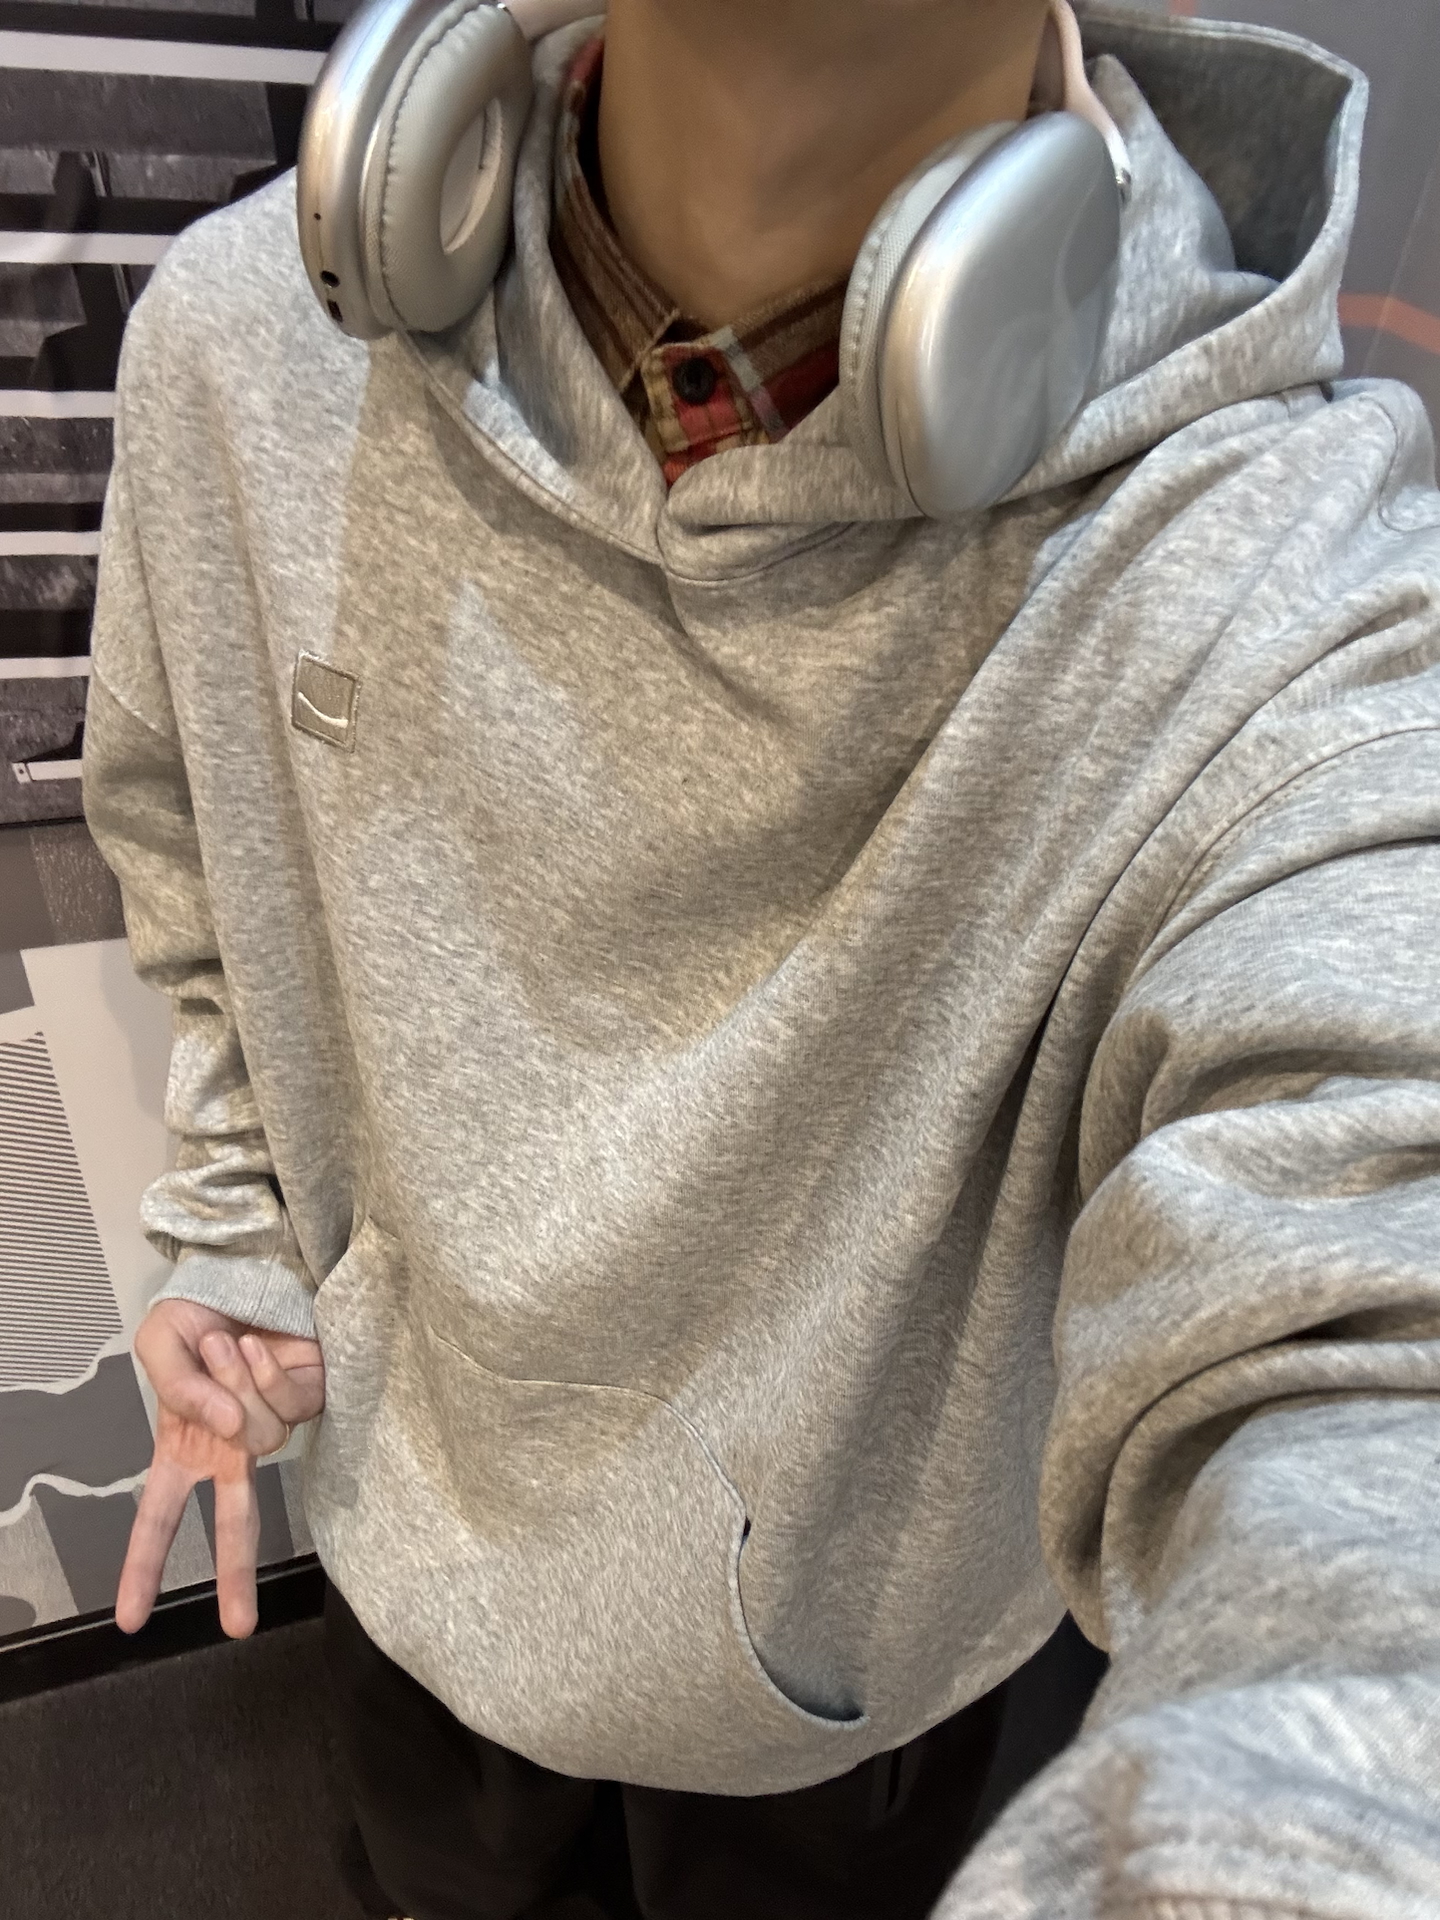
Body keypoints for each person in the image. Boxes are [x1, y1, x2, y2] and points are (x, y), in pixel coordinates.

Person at [81, 0, 1440, 1914]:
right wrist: (235, 1219)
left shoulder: (1269, 582)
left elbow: (1369, 1302)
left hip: (843, 1711)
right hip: (410, 1570)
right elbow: (197, 860)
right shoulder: (246, 350)